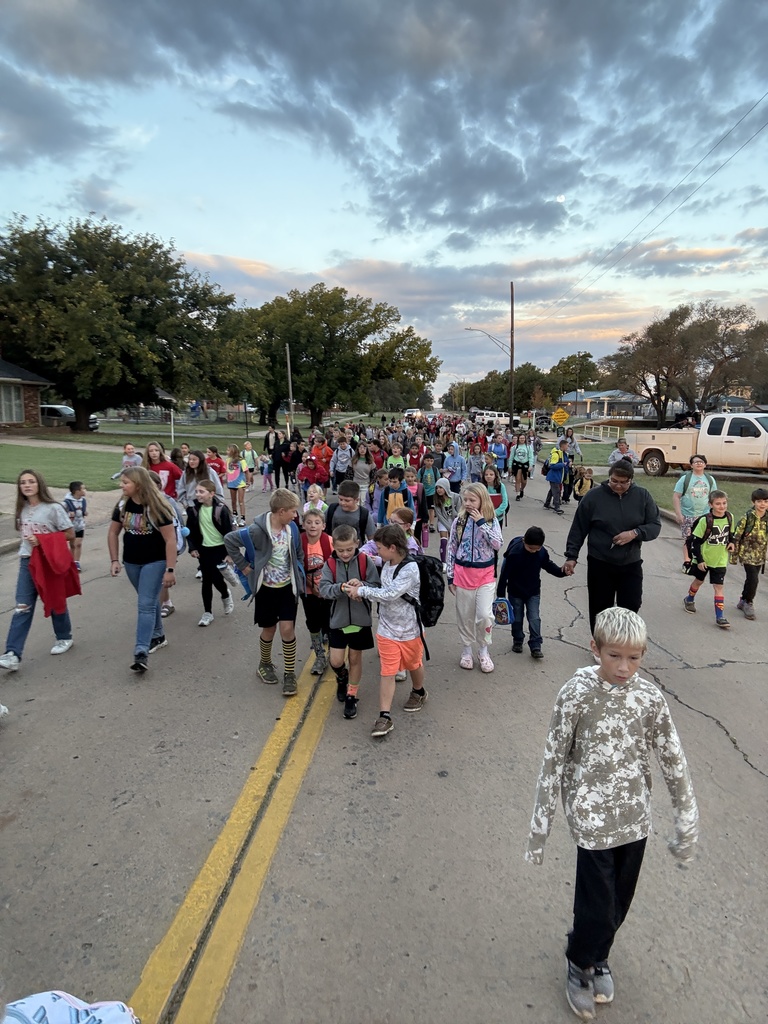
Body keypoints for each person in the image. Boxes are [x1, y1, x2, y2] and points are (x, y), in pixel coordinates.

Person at [526, 608, 698, 1021]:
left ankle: (597, 953)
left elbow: (673, 757)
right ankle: (580, 961)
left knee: (620, 897)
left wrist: (686, 818)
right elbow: (553, 758)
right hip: (590, 816)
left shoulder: (649, 698)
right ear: (595, 649)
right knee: (597, 902)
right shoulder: (576, 693)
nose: (624, 668)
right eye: (614, 656)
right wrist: (540, 828)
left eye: (634, 658)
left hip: (635, 816)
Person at [347, 525, 428, 738]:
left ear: (393, 548)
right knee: (388, 671)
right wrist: (362, 584)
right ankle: (384, 716)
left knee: (414, 664)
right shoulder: (388, 562)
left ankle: (418, 691)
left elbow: (390, 593)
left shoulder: (410, 569)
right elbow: (381, 589)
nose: (377, 552)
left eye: (380, 548)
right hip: (387, 629)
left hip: (410, 630)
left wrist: (362, 591)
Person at [564, 461, 661, 633]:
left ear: (631, 480)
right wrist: (572, 556)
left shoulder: (642, 496)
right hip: (600, 561)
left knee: (631, 605)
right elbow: (578, 528)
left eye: (623, 482)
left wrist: (635, 533)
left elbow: (654, 525)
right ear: (609, 477)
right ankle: (600, 643)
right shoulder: (593, 497)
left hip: (630, 562)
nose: (618, 485)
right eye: (614, 481)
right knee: (600, 606)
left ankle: (622, 641)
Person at [224, 488, 304, 697]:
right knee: (269, 630)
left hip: (287, 587)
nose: (296, 515)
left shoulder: (292, 528)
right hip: (266, 589)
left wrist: (300, 571)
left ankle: (289, 673)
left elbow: (298, 552)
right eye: (293, 511)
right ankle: (265, 663)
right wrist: (243, 566)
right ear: (281, 511)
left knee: (288, 629)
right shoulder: (257, 530)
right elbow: (230, 540)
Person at [0, 470, 78, 673]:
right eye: (23, 482)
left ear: (39, 484)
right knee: (22, 606)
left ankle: (64, 637)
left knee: (54, 600)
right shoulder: (22, 509)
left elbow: (69, 534)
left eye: (31, 481)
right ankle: (12, 653)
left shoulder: (53, 508)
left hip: (48, 561)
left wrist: (43, 540)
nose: (27, 485)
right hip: (27, 561)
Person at [107, 467, 177, 673]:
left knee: (145, 604)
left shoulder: (158, 508)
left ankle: (141, 652)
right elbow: (113, 532)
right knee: (148, 599)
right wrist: (114, 560)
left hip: (155, 562)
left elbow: (170, 539)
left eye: (126, 482)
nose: (122, 485)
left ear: (138, 484)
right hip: (131, 562)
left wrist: (170, 569)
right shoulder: (122, 505)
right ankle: (158, 634)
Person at [319, 523, 380, 719]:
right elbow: (324, 590)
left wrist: (362, 586)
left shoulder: (364, 561)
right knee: (336, 661)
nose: (345, 554)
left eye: (349, 549)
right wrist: (341, 588)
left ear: (357, 543)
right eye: (340, 550)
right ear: (334, 547)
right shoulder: (329, 564)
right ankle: (342, 677)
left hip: (360, 621)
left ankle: (352, 695)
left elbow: (376, 586)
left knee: (355, 658)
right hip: (338, 621)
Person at [445, 482, 503, 672]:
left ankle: (484, 650)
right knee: (465, 616)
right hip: (463, 574)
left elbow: (497, 544)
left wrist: (481, 523)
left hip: (485, 575)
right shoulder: (458, 522)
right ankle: (467, 650)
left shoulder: (491, 520)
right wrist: (450, 576)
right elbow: (452, 548)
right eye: (466, 499)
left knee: (485, 616)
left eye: (472, 500)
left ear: (482, 500)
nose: (468, 503)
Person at [496, 526, 567, 659]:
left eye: (537, 549)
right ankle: (517, 639)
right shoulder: (515, 553)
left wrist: (562, 572)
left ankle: (536, 644)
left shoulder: (542, 553)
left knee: (534, 618)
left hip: (533, 591)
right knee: (516, 618)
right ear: (524, 541)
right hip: (515, 591)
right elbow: (504, 573)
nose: (533, 551)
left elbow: (548, 565)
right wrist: (501, 595)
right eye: (530, 548)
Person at [185, 479, 235, 627]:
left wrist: (229, 553)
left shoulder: (221, 509)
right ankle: (208, 612)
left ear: (212, 494)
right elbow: (190, 532)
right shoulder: (193, 510)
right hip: (203, 549)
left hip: (219, 548)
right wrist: (192, 548)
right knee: (207, 580)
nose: (198, 494)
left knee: (215, 578)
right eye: (196, 491)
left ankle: (225, 594)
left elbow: (229, 532)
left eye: (202, 491)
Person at [682, 489, 734, 628]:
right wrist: (699, 560)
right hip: (704, 560)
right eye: (718, 504)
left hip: (720, 560)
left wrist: (731, 543)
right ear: (711, 504)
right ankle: (689, 599)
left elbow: (731, 534)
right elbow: (696, 542)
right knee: (698, 581)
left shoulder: (729, 517)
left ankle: (720, 617)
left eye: (724, 503)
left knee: (719, 587)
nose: (722, 506)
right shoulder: (706, 520)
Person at [300, 509, 333, 675]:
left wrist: (327, 588)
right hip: (308, 591)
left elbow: (337, 565)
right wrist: (312, 587)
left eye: (317, 522)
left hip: (328, 591)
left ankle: (334, 655)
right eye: (309, 522)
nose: (313, 525)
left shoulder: (330, 542)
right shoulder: (299, 542)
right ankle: (320, 655)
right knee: (313, 623)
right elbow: (297, 567)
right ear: (303, 524)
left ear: (324, 525)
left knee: (330, 623)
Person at [673, 455, 717, 572]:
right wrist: (678, 513)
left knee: (703, 539)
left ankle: (699, 560)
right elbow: (676, 496)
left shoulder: (710, 479)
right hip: (688, 514)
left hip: (704, 515)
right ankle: (687, 561)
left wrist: (714, 514)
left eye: (701, 462)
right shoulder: (685, 479)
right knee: (688, 539)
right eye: (695, 462)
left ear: (705, 464)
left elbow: (714, 498)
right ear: (691, 465)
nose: (698, 464)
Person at [732, 486, 768, 621]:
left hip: (760, 554)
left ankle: (743, 599)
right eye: (759, 501)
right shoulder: (748, 517)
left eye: (765, 501)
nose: (762, 504)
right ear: (753, 502)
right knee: (754, 579)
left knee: (751, 579)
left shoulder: (767, 517)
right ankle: (749, 603)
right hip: (747, 553)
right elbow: (737, 534)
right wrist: (734, 552)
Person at [434, 477, 461, 570]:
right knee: (444, 541)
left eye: (441, 487)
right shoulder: (436, 499)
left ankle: (453, 561)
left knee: (453, 542)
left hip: (454, 521)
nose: (438, 490)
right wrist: (449, 527)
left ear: (446, 487)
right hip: (443, 522)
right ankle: (443, 562)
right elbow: (439, 516)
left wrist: (454, 524)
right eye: (437, 488)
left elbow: (459, 512)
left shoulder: (456, 497)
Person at [62, 480, 87, 570]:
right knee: (73, 545)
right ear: (77, 491)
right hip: (71, 527)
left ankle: (76, 562)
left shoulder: (83, 501)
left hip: (80, 525)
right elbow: (60, 514)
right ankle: (70, 562)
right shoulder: (66, 503)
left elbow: (82, 511)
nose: (85, 490)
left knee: (78, 544)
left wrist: (84, 512)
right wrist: (69, 514)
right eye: (83, 489)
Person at [404, 466, 429, 547]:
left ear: (415, 476)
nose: (410, 479)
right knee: (406, 538)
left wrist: (425, 518)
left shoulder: (420, 487)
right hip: (406, 518)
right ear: (404, 476)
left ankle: (418, 554)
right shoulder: (403, 487)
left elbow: (424, 502)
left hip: (418, 518)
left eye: (412, 476)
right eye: (407, 476)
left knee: (417, 537)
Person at [543, 439, 570, 514]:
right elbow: (552, 465)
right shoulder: (556, 454)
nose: (568, 447)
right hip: (554, 476)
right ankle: (557, 507)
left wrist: (568, 464)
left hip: (558, 476)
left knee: (552, 491)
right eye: (567, 445)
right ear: (563, 446)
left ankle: (547, 504)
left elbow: (566, 461)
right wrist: (563, 464)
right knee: (556, 491)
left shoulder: (563, 453)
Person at [225, 444, 248, 526]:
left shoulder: (241, 460)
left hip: (240, 483)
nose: (227, 452)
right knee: (233, 501)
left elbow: (246, 471)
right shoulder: (228, 460)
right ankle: (235, 515)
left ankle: (243, 518)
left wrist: (247, 482)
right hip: (231, 483)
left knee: (241, 501)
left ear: (233, 451)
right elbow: (227, 471)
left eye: (228, 450)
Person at [509, 432, 534, 500]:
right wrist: (510, 466)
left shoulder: (528, 447)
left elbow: (531, 457)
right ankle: (518, 494)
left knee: (524, 481)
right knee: (518, 479)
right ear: (518, 439)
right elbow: (511, 457)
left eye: (523, 438)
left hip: (525, 464)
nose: (522, 439)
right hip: (517, 464)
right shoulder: (514, 447)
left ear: (525, 439)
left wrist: (530, 465)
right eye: (520, 438)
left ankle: (521, 489)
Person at [417, 451, 438, 532]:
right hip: (423, 493)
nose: (429, 462)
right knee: (423, 508)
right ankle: (424, 522)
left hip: (432, 493)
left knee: (431, 509)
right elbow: (418, 482)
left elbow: (438, 480)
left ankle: (432, 524)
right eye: (428, 460)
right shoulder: (421, 470)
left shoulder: (435, 470)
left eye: (431, 461)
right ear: (424, 461)